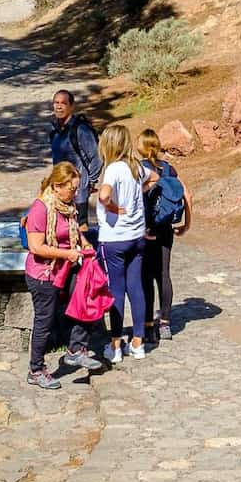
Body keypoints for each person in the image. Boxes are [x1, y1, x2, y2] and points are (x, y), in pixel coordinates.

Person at [24, 162, 101, 389]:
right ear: (57, 186)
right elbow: (36, 247)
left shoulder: (68, 207)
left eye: (77, 189)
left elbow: (74, 230)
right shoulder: (41, 209)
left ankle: (76, 348)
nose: (76, 193)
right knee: (44, 321)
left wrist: (86, 246)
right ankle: (35, 369)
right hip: (44, 273)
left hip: (66, 267)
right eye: (72, 189)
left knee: (85, 300)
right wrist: (67, 254)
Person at [96, 123, 156, 364]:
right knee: (136, 287)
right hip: (136, 236)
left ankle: (116, 344)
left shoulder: (113, 169)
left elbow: (103, 195)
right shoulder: (136, 167)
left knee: (116, 291)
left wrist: (110, 206)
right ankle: (138, 342)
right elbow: (156, 177)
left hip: (114, 238)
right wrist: (138, 196)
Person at [137, 128, 192, 343]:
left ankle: (149, 327)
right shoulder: (169, 168)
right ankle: (166, 324)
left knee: (146, 277)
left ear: (141, 147)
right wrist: (187, 223)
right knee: (163, 274)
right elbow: (188, 194)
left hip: (145, 228)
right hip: (166, 228)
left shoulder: (141, 169)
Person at [49, 88, 103, 228]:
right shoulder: (54, 131)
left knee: (80, 233)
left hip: (78, 197)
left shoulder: (81, 129)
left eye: (63, 103)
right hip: (59, 195)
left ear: (71, 106)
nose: (59, 106)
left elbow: (97, 158)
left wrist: (89, 183)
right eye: (56, 103)